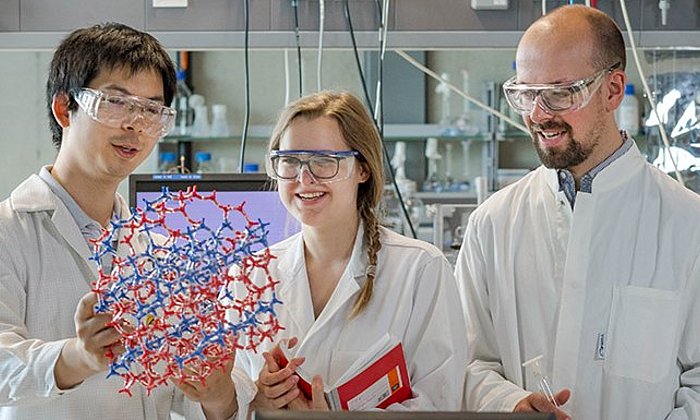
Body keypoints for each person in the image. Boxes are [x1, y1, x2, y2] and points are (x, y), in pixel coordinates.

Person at [455, 5, 700, 420]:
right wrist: (507, 402)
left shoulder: (688, 224)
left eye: (560, 93)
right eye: (526, 94)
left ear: (612, 90)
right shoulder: (493, 223)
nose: (537, 114)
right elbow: (464, 360)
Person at [0, 23, 236, 419]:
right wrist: (76, 357)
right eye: (115, 102)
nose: (134, 125)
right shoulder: (9, 232)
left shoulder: (161, 252)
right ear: (65, 109)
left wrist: (218, 396)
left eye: (150, 110)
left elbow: (183, 400)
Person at [223, 91, 467, 418]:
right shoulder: (250, 274)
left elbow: (441, 404)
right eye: (290, 161)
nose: (304, 178)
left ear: (363, 169)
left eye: (324, 161)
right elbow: (225, 394)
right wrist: (257, 399)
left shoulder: (420, 269)